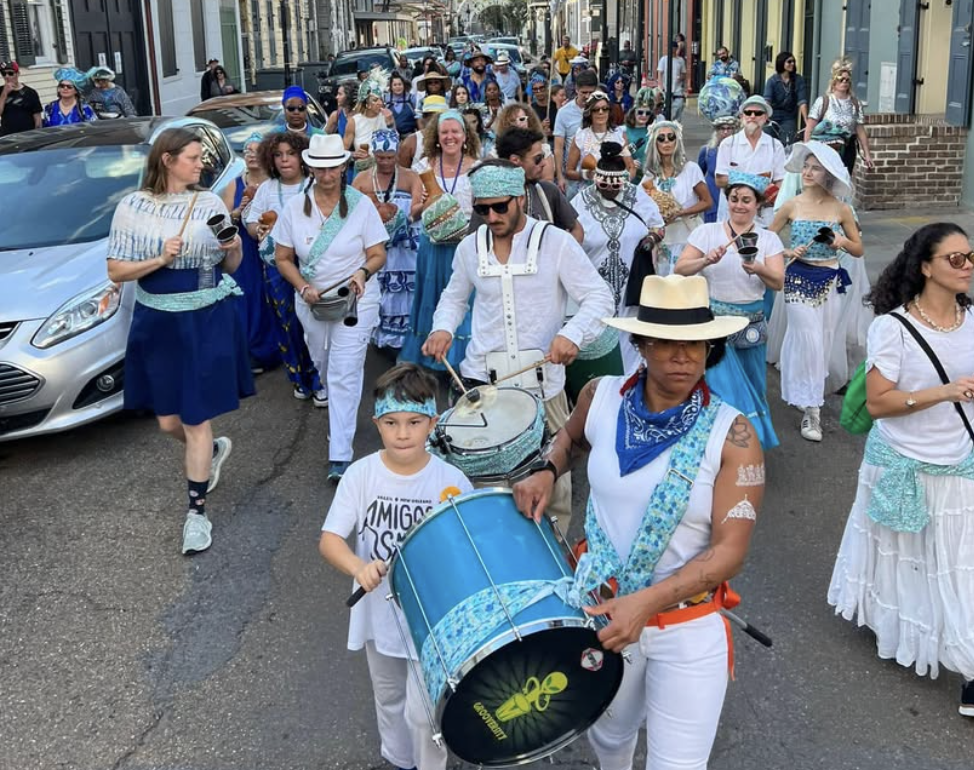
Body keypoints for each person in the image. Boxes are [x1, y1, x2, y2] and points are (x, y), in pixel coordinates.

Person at [511, 273, 763, 770]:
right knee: (609, 740)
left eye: (695, 344)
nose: (683, 357)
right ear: (641, 342)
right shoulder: (600, 396)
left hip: (687, 626)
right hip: (602, 614)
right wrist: (546, 468)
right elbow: (572, 440)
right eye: (667, 343)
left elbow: (730, 550)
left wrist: (644, 605)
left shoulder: (732, 433)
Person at [827, 222, 974, 720]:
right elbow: (879, 402)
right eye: (955, 258)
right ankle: (888, 618)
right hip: (901, 459)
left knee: (959, 565)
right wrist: (947, 392)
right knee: (898, 550)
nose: (968, 265)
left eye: (970, 256)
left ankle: (970, 668)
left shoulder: (973, 318)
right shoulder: (891, 327)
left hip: (960, 459)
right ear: (926, 267)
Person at [423, 159, 615, 531]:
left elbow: (599, 297)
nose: (491, 217)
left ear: (521, 198)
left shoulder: (555, 243)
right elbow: (453, 298)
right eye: (482, 209)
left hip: (544, 391)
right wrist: (442, 328)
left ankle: (551, 572)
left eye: (500, 207)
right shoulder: (469, 248)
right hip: (484, 389)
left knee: (551, 497)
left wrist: (571, 334)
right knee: (487, 497)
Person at [319, 363, 473, 770]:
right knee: (388, 700)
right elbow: (330, 539)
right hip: (380, 614)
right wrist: (358, 566)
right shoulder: (360, 475)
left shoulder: (452, 481)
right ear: (377, 423)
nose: (403, 433)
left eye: (414, 422)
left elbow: (467, 553)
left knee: (424, 715)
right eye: (391, 422)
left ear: (432, 423)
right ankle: (399, 761)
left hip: (432, 620)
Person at [105, 127, 252, 554]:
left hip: (205, 318)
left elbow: (232, 264)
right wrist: (160, 259)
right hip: (159, 320)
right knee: (168, 421)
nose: (201, 163)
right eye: (192, 156)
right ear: (167, 159)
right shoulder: (132, 206)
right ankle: (213, 450)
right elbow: (116, 270)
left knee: (194, 417)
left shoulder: (207, 202)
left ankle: (197, 514)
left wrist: (234, 245)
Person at [272, 133, 388, 481]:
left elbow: (378, 253)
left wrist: (362, 272)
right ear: (310, 167)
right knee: (323, 365)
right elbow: (282, 257)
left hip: (356, 299)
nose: (327, 175)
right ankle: (340, 421)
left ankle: (340, 452)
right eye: (320, 168)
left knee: (345, 370)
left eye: (333, 167)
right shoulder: (294, 209)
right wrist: (302, 286)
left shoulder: (361, 205)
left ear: (343, 166)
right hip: (312, 301)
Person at [675, 171, 785, 449]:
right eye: (734, 198)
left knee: (753, 385)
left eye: (746, 200)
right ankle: (715, 445)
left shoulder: (768, 239)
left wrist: (758, 267)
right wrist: (703, 261)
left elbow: (778, 282)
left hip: (750, 323)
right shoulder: (707, 232)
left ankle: (748, 446)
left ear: (757, 204)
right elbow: (680, 269)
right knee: (718, 387)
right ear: (727, 200)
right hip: (714, 324)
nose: (739, 205)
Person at [768, 141, 864, 442]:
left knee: (821, 339)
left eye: (816, 168)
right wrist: (786, 251)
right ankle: (813, 411)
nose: (808, 172)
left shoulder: (841, 208)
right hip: (797, 278)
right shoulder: (791, 205)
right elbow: (766, 239)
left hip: (831, 279)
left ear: (828, 174)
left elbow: (859, 249)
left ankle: (805, 391)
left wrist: (840, 241)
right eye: (806, 167)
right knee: (808, 337)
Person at [572, 142, 665, 375]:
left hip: (630, 288)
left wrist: (651, 239)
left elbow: (658, 226)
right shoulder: (580, 202)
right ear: (596, 179)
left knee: (631, 340)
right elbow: (566, 240)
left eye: (616, 186)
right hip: (594, 289)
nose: (610, 190)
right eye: (603, 185)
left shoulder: (637, 196)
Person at [245, 132, 324, 402]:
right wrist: (260, 229)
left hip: (313, 265)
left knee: (315, 322)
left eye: (290, 153)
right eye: (278, 155)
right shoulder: (267, 189)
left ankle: (320, 378)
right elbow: (252, 223)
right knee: (287, 322)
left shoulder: (315, 184)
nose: (284, 160)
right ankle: (299, 377)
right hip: (277, 268)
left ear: (302, 156)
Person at [398, 110, 480, 372]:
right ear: (436, 136)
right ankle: (432, 355)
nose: (450, 136)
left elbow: (481, 209)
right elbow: (413, 212)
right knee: (433, 299)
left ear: (465, 136)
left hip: (464, 243)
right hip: (433, 245)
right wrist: (426, 204)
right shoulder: (423, 167)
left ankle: (462, 357)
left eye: (455, 131)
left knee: (464, 300)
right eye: (444, 132)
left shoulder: (478, 167)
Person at [352, 129, 422, 352]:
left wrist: (400, 221)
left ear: (397, 153)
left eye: (390, 157)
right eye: (380, 157)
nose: (385, 162)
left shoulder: (411, 176)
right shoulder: (362, 180)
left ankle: (407, 338)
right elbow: (351, 213)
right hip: (375, 246)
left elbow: (418, 208)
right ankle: (380, 336)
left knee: (407, 291)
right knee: (380, 289)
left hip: (406, 243)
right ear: (373, 154)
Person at [222, 133, 280, 374]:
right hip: (245, 249)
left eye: (256, 150)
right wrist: (239, 211)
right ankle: (252, 352)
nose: (251, 154)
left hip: (270, 245)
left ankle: (276, 349)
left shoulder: (274, 183)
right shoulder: (234, 184)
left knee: (272, 295)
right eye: (246, 150)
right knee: (249, 297)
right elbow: (224, 223)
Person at [471, 126, 583, 242]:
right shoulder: (487, 200)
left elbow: (576, 229)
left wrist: (564, 256)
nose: (544, 163)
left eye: (543, 157)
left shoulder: (548, 191)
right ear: (515, 160)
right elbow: (473, 245)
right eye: (538, 158)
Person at [642, 121, 712, 275]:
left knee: (687, 281)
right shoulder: (650, 174)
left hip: (687, 232)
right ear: (655, 143)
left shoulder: (691, 169)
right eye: (661, 138)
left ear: (677, 140)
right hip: (664, 236)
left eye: (671, 137)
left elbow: (707, 202)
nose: (666, 142)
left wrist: (681, 212)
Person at [714, 95, 785, 226]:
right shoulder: (728, 144)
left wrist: (761, 200)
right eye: (748, 112)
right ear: (742, 117)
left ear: (765, 118)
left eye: (758, 113)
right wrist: (757, 183)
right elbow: (720, 180)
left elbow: (780, 182)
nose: (752, 116)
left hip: (763, 215)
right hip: (732, 214)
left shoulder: (776, 146)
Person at [804, 57, 874, 173]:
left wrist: (867, 153)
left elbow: (860, 130)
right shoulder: (823, 101)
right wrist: (807, 151)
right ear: (834, 82)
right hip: (826, 147)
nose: (844, 82)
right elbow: (810, 128)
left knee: (843, 180)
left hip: (848, 148)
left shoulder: (855, 104)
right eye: (841, 79)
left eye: (847, 80)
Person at [566, 91, 635, 187]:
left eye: (605, 109)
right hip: (589, 191)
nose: (601, 112)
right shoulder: (580, 136)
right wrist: (587, 175)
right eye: (596, 109)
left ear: (609, 111)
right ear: (589, 112)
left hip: (615, 189)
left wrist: (621, 182)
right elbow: (569, 171)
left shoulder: (619, 135)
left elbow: (631, 167)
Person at [553, 70, 598, 199]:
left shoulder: (602, 110)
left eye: (591, 92)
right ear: (576, 90)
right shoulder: (564, 113)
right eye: (584, 92)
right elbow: (558, 147)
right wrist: (560, 177)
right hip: (572, 176)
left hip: (596, 175)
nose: (587, 96)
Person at [346, 71, 396, 176]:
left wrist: (391, 124)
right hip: (362, 171)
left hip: (385, 170)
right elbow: (343, 150)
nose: (380, 103)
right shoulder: (354, 121)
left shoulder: (387, 116)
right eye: (375, 100)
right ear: (366, 103)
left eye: (381, 99)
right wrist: (353, 154)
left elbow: (396, 145)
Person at [698, 116, 739, 223]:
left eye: (729, 129)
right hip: (712, 198)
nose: (725, 132)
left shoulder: (741, 151)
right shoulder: (707, 151)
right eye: (722, 129)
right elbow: (698, 177)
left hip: (733, 197)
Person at [763, 52, 807, 147]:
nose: (792, 64)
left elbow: (802, 101)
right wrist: (765, 116)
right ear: (781, 63)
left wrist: (806, 120)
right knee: (766, 139)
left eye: (794, 62)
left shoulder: (799, 80)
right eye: (789, 62)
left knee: (788, 142)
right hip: (773, 115)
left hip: (789, 116)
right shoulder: (772, 81)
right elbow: (767, 100)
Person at [398, 94, 448, 171]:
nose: (436, 121)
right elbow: (402, 174)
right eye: (431, 116)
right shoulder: (411, 142)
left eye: (440, 117)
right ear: (424, 118)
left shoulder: (454, 141)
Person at [0, 61, 42, 135]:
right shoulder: (0, 91)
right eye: (3, 73)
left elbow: (37, 118)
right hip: (7, 136)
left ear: (18, 74)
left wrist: (37, 135)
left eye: (10, 73)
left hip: (27, 135)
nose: (7, 76)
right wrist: (4, 93)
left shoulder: (30, 92)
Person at [656, 40, 687, 122]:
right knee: (667, 109)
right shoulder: (664, 59)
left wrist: (680, 78)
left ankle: (676, 124)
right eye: (671, 48)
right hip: (666, 88)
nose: (672, 50)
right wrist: (661, 86)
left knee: (679, 106)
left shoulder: (680, 60)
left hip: (677, 88)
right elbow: (660, 73)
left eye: (674, 48)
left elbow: (684, 73)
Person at [386, 71, 417, 138]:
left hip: (410, 135)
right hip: (392, 136)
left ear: (404, 85)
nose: (398, 87)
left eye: (400, 84)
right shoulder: (386, 99)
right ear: (391, 87)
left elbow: (418, 116)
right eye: (395, 85)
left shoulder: (411, 98)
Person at [528, 74, 556, 143]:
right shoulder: (531, 109)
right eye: (535, 89)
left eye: (541, 88)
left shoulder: (555, 105)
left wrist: (552, 133)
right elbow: (529, 131)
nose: (539, 91)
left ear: (546, 88)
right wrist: (541, 126)